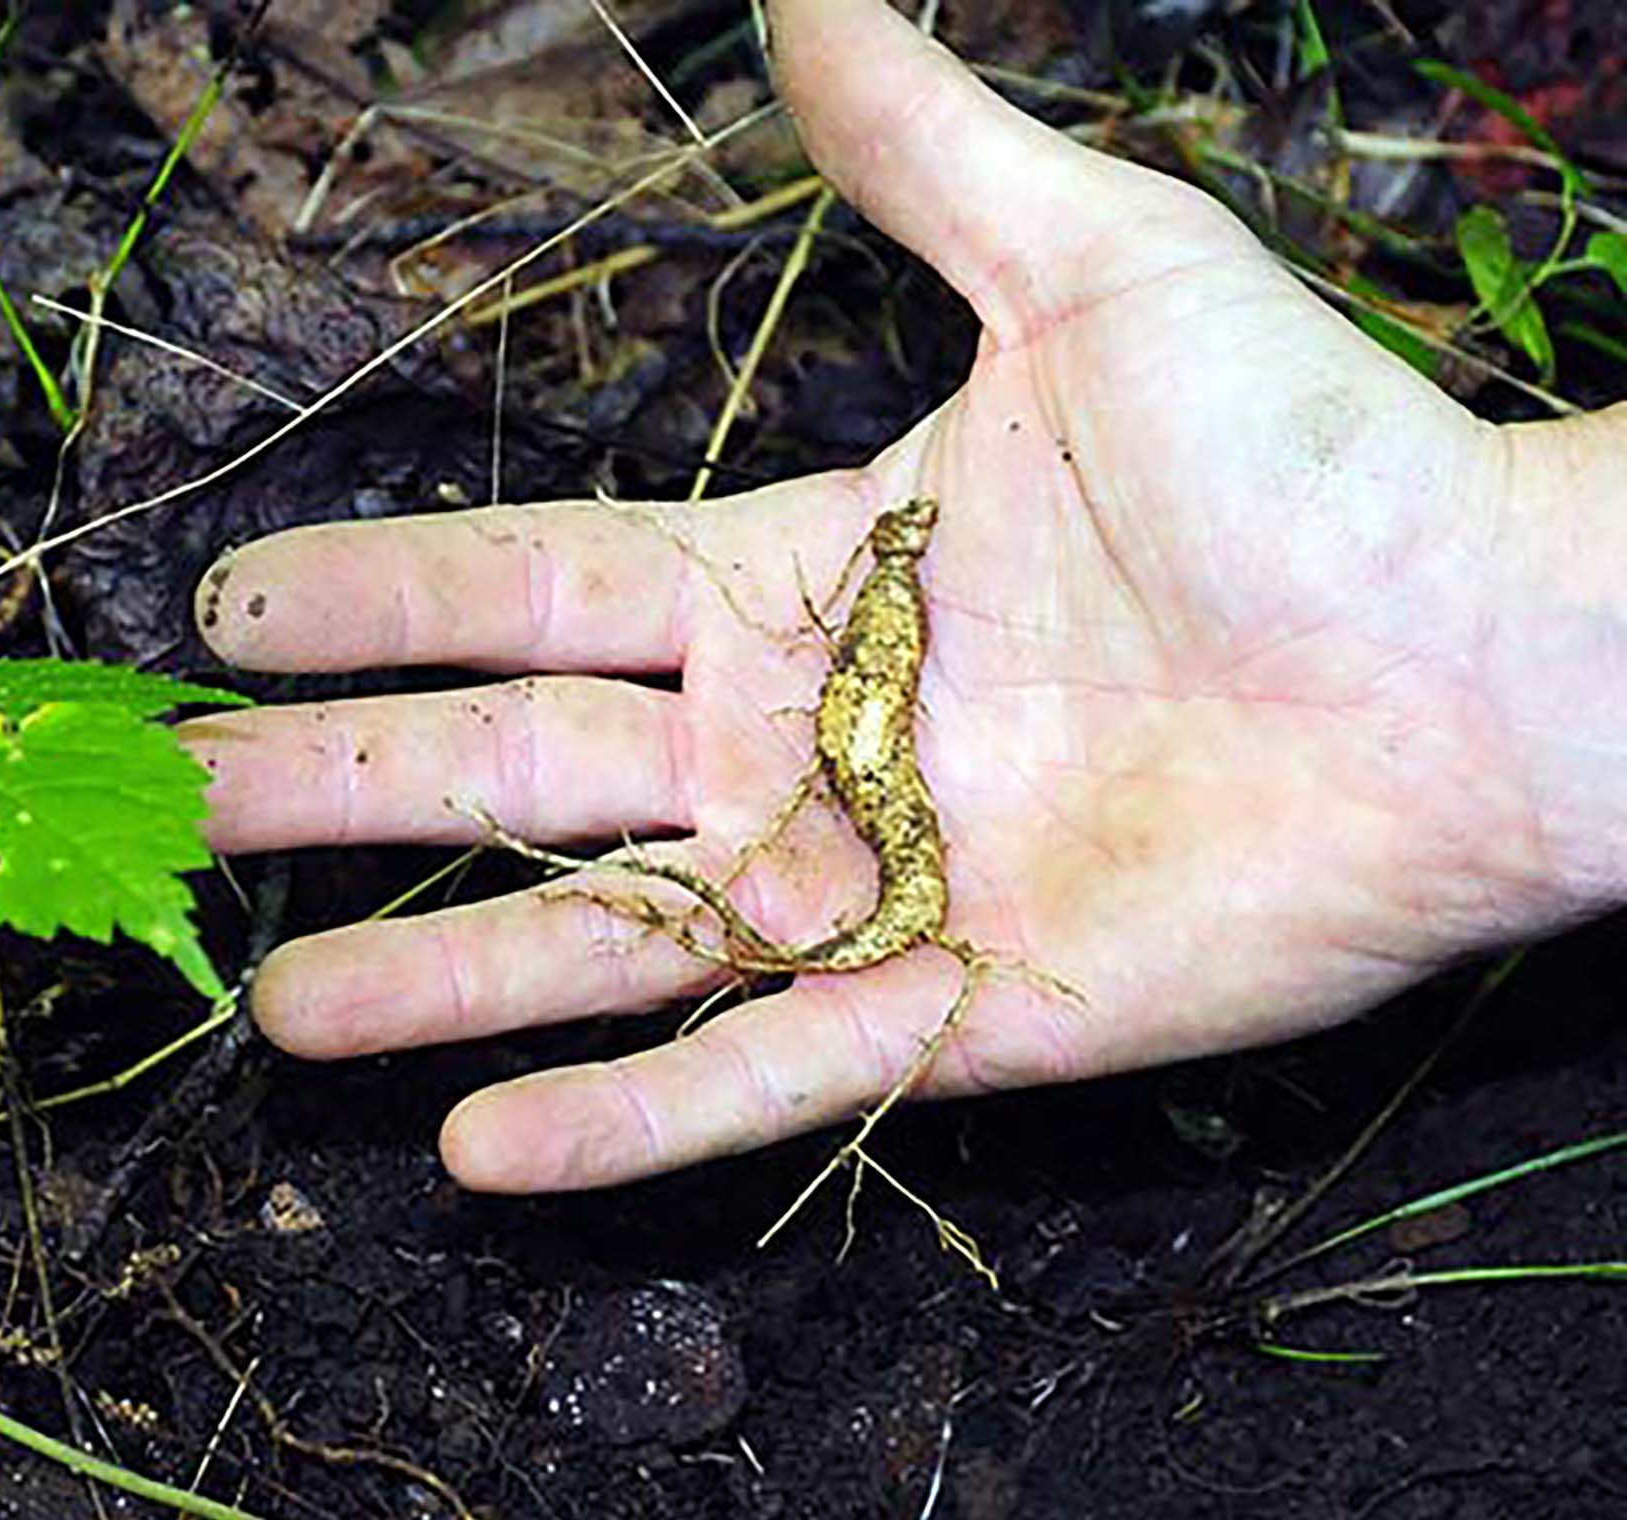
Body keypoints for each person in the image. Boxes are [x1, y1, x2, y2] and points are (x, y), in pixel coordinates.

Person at [173, 0, 1627, 1194]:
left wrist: (1488, 601)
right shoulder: (884, 609)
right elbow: (866, 715)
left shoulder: (903, 599)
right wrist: (1502, 610)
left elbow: (871, 715)